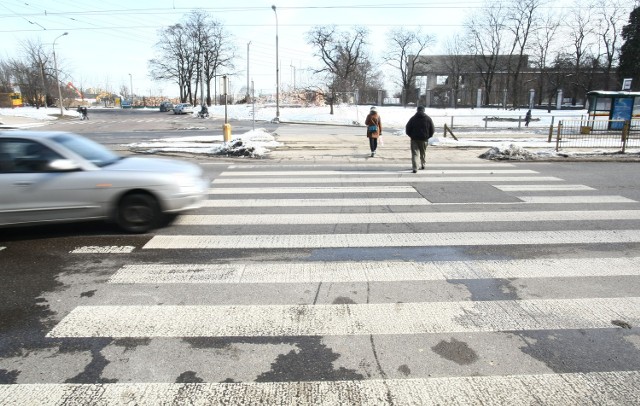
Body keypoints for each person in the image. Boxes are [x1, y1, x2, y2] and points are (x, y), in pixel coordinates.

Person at [405, 105, 434, 173]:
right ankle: (423, 164)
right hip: (424, 139)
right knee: (423, 152)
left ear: (417, 110)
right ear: (424, 110)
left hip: (414, 139)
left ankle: (415, 168)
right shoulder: (428, 119)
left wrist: (411, 135)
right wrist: (428, 136)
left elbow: (407, 128)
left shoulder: (413, 118)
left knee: (415, 154)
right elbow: (432, 130)